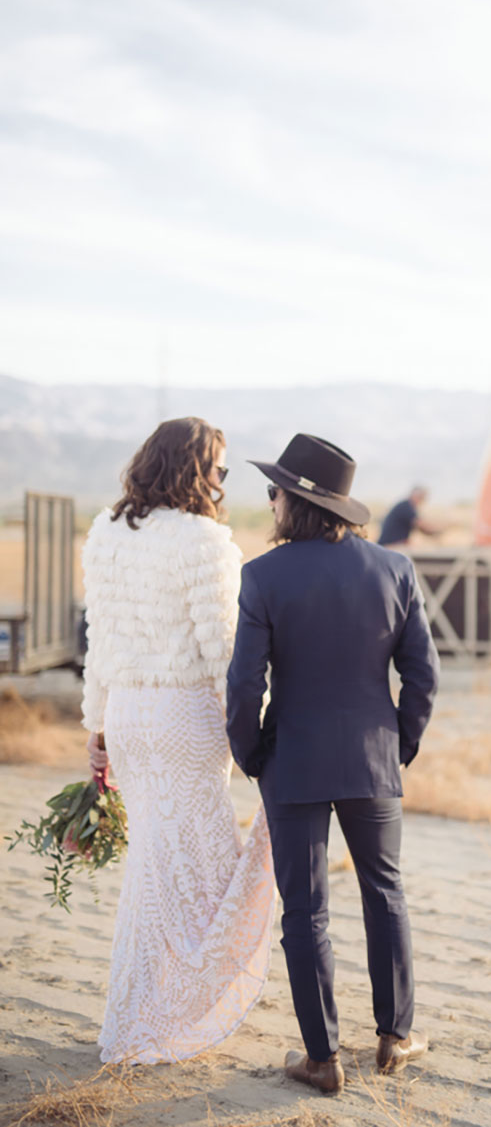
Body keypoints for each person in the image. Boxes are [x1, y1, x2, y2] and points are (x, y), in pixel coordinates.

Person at [226, 434, 439, 1095]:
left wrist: (252, 753)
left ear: (297, 501)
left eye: (274, 492)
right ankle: (394, 1035)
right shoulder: (394, 569)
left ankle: (321, 1058)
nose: (269, 502)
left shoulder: (263, 574)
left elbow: (243, 684)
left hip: (291, 760)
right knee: (385, 891)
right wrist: (398, 741)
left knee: (305, 910)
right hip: (373, 758)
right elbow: (423, 674)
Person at [81, 416, 275, 1065]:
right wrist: (255, 729)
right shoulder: (206, 542)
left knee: (154, 868)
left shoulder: (106, 534)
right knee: (205, 871)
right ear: (194, 468)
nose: (223, 478)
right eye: (219, 466)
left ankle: (142, 1008)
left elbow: (98, 642)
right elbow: (225, 649)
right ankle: (168, 1014)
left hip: (129, 715)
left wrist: (97, 728)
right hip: (184, 715)